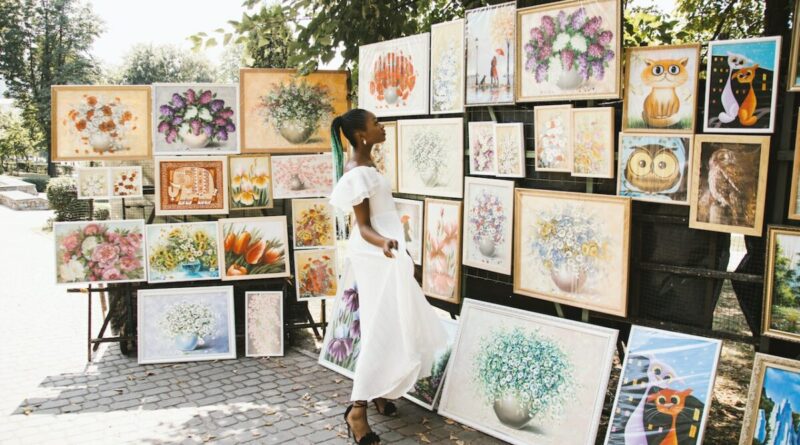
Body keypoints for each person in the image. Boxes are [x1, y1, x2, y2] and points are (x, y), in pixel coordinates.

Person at [328, 109, 449, 445]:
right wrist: (386, 244)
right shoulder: (356, 173)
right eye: (375, 123)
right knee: (381, 325)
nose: (382, 127)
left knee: (394, 321)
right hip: (375, 255)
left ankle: (380, 392)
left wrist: (398, 249)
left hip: (387, 254)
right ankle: (357, 411)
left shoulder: (367, 167)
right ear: (362, 136)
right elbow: (363, 226)